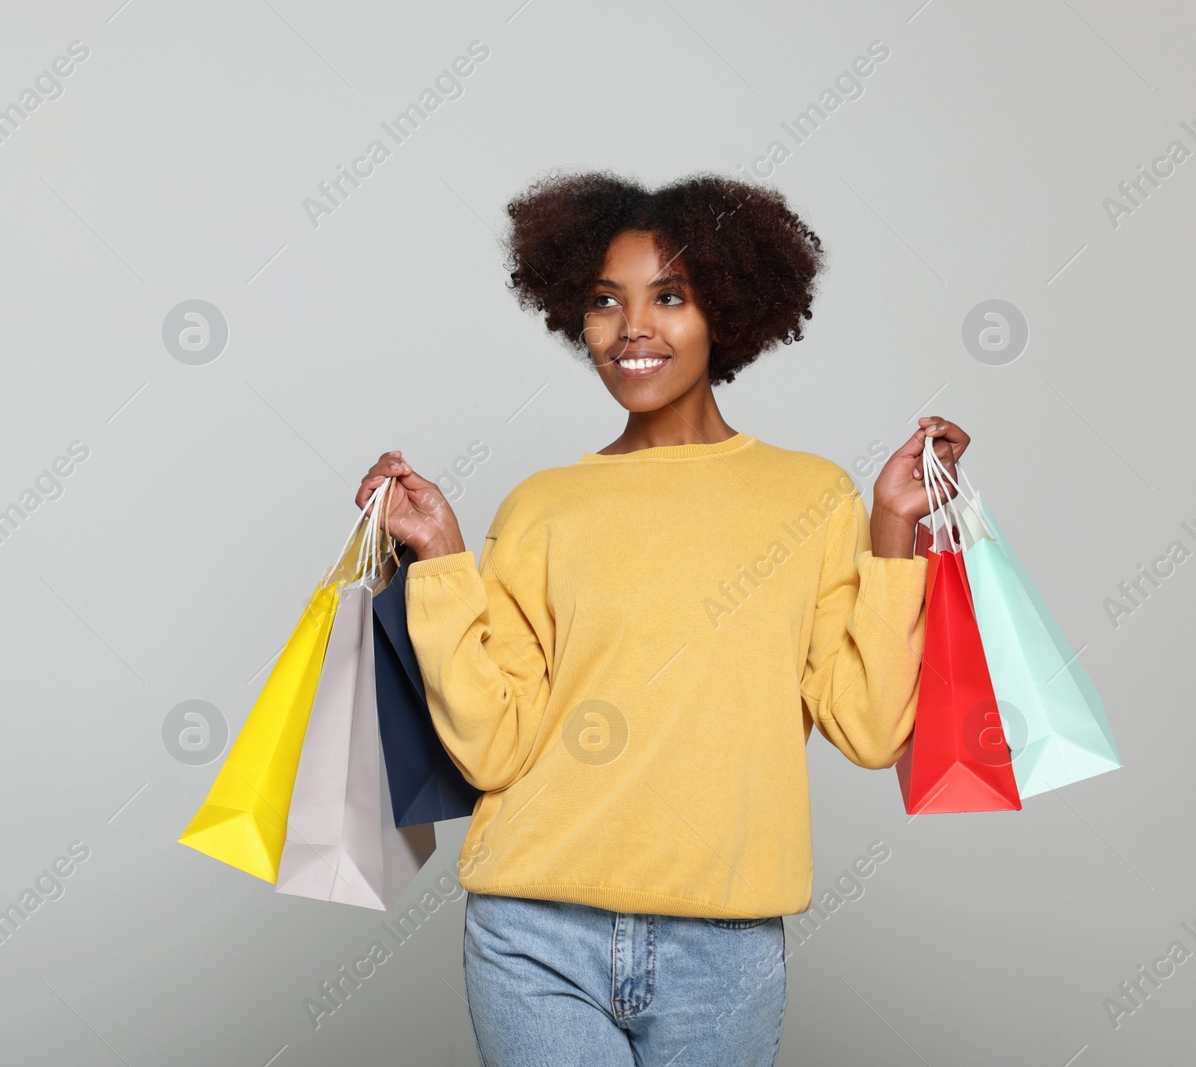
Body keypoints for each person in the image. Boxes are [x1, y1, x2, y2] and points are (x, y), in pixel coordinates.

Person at [354, 171, 968, 1066]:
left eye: (669, 297)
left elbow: (872, 730)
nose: (633, 328)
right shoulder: (541, 507)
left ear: (727, 309)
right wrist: (444, 560)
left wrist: (891, 529)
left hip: (724, 944)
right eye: (606, 302)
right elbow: (492, 748)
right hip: (534, 931)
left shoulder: (813, 497)